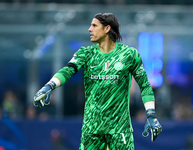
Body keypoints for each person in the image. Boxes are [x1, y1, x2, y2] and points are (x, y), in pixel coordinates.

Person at [33, 13, 162, 150]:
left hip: (119, 131)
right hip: (91, 131)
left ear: (107, 29)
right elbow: (67, 70)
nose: (90, 29)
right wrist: (49, 86)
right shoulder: (86, 53)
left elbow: (145, 86)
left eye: (94, 25)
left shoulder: (129, 55)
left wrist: (151, 114)